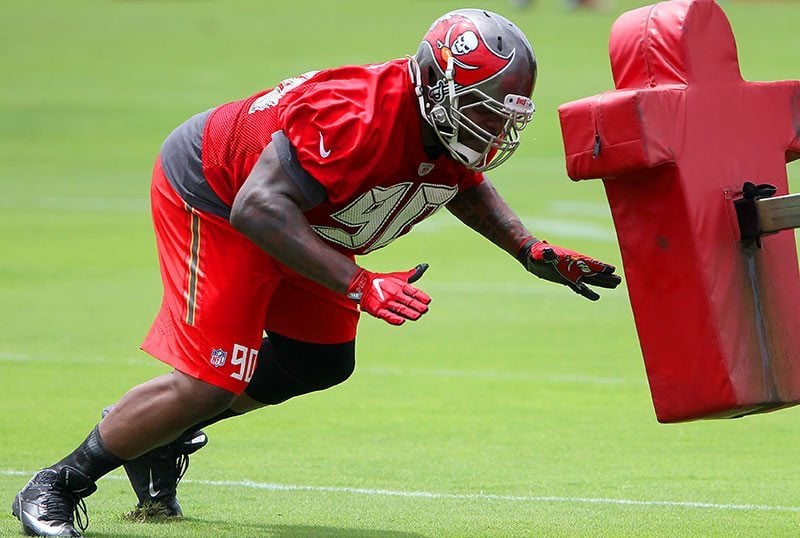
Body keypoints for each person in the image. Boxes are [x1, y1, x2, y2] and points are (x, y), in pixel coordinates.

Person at [11, 7, 621, 537]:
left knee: (319, 358)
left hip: (294, 216)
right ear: (436, 89)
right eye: (482, 113)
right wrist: (361, 282)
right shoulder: (355, 115)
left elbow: (460, 180)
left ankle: (160, 438)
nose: (491, 132)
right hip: (219, 197)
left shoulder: (437, 123)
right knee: (211, 379)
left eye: (500, 117)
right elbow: (257, 206)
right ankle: (55, 486)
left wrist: (526, 247)